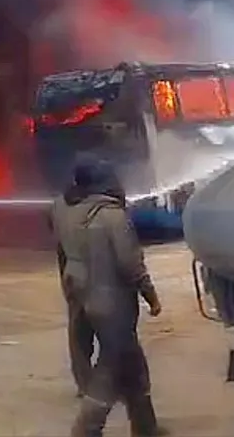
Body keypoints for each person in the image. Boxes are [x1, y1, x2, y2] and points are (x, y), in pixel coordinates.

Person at [51, 158, 167, 437]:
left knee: (132, 361)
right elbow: (130, 264)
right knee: (113, 363)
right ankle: (86, 428)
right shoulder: (112, 216)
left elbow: (61, 249)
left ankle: (146, 427)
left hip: (79, 290)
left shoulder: (61, 208)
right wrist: (150, 295)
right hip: (111, 301)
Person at [49, 169, 97, 398]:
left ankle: (84, 383)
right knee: (114, 333)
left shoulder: (58, 205)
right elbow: (125, 252)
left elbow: (58, 241)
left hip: (72, 276)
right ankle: (109, 385)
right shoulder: (104, 209)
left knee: (79, 333)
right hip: (101, 277)